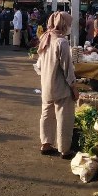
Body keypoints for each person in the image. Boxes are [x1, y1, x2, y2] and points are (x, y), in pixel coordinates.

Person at [34, 12, 78, 159]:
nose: (70, 27)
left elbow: (39, 66)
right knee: (64, 118)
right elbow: (68, 69)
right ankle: (64, 149)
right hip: (61, 87)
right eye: (69, 25)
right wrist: (74, 87)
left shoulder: (45, 38)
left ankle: (46, 144)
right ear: (64, 25)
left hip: (46, 85)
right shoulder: (61, 42)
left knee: (46, 114)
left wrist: (47, 76)